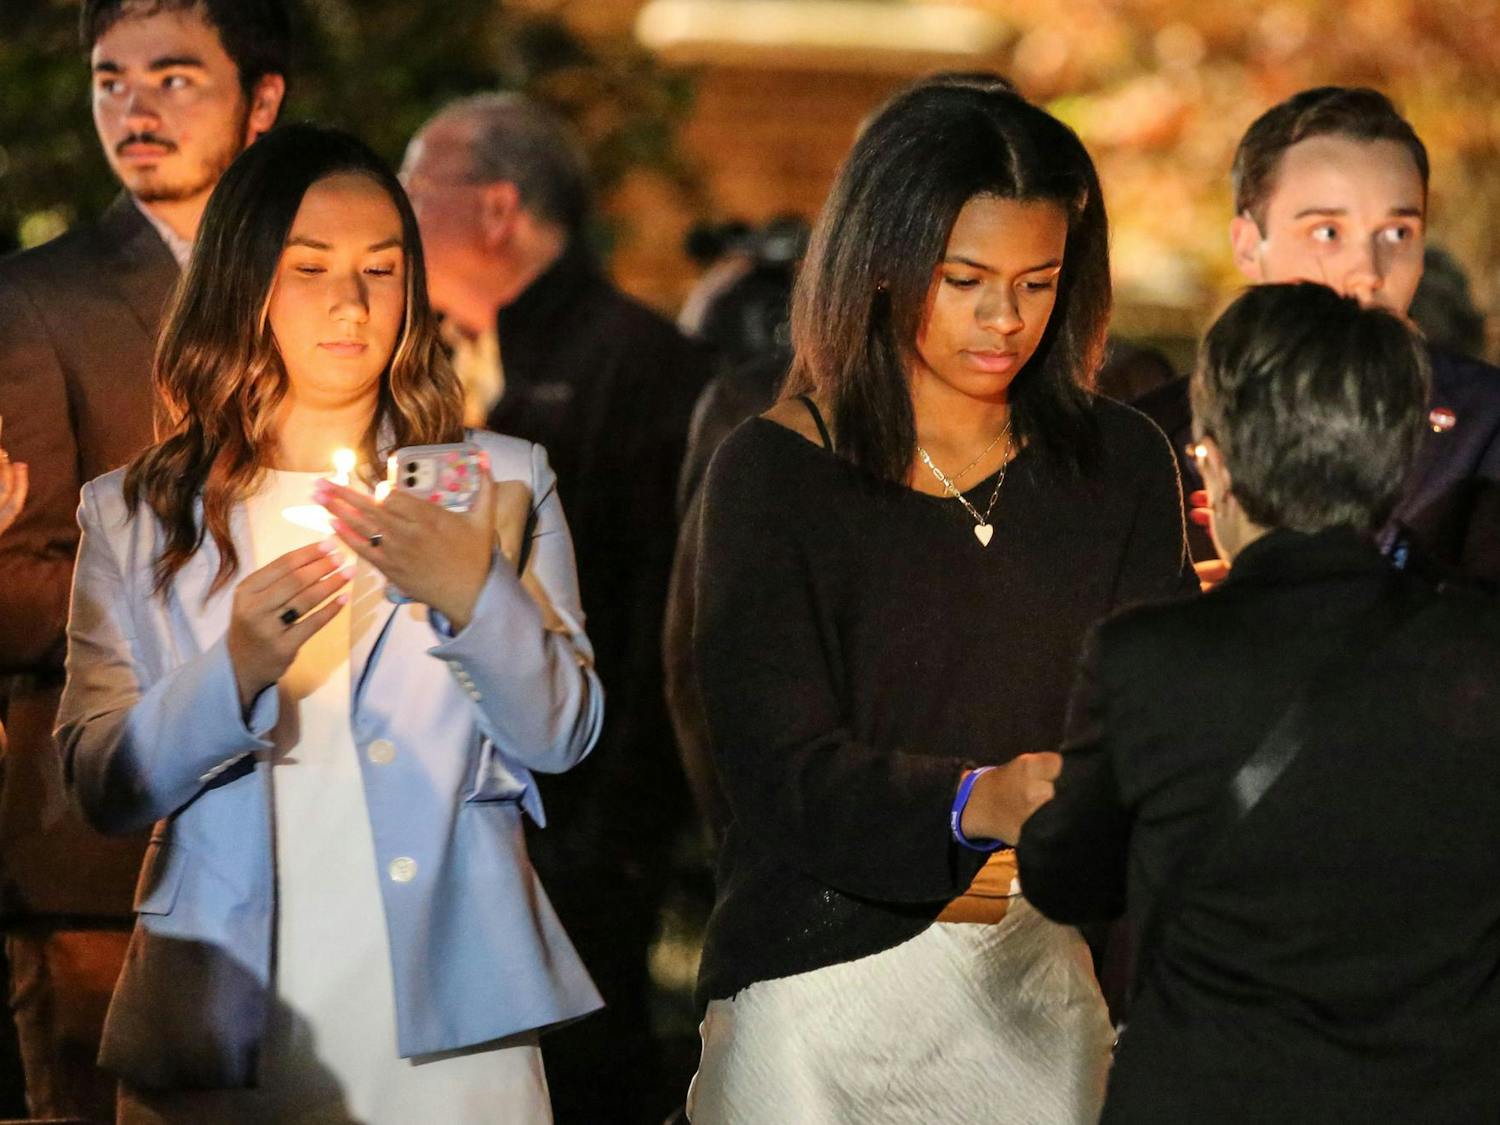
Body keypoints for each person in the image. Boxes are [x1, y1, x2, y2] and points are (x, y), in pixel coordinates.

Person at [55, 123, 603, 1123]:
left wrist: (471, 591)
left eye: (380, 269)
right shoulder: (139, 512)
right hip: (229, 1013)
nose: (351, 303)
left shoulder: (502, 481)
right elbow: (102, 780)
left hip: (448, 1017)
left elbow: (563, 736)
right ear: (242, 284)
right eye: (309, 268)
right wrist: (236, 669)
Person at [686, 76, 1195, 1124]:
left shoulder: (1120, 463)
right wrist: (975, 800)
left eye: (1038, 282)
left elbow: (1155, 733)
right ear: (882, 264)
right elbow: (775, 768)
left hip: (1038, 977)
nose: (1004, 320)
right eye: (964, 280)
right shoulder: (777, 471)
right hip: (815, 983)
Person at [1019, 281, 1500, 1123]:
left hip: (1213, 1093)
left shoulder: (1148, 659)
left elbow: (1067, 879)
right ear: (1396, 462)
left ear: (1219, 462)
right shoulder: (1481, 651)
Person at [0, 1, 287, 1116]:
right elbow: (14, 583)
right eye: (112, 80)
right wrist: (231, 625)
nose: (136, 108)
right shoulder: (39, 298)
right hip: (104, 855)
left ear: (262, 100)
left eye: (175, 78)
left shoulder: (318, 285)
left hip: (312, 832)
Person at [402, 92, 712, 1121]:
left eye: (416, 182)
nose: (395, 212)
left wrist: (618, 831)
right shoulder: (427, 364)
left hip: (583, 821)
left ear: (498, 209)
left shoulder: (640, 365)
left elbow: (661, 606)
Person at [1135, 87, 1500, 585]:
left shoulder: (1483, 430)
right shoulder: (1153, 444)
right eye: (1327, 233)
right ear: (1247, 245)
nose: (1367, 272)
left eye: (1397, 234)